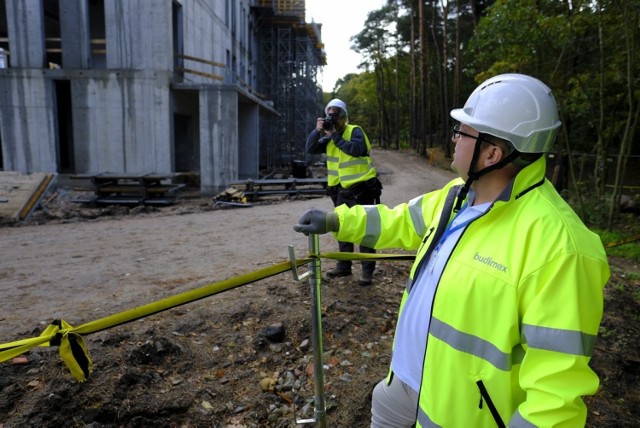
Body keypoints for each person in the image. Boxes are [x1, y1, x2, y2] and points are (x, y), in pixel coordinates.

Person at [294, 74, 610, 427]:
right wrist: (335, 220)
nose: (454, 138)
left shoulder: (560, 248)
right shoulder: (457, 196)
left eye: (463, 132)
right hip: (403, 385)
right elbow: (398, 221)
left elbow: (555, 398)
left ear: (493, 152)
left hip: (456, 413)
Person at [305, 98, 382, 285]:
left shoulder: (355, 131)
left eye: (336, 114)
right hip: (340, 191)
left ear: (344, 116)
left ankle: (367, 271)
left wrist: (334, 135)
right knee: (342, 228)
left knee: (365, 230)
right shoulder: (329, 138)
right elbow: (310, 149)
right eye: (329, 115)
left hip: (362, 189)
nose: (333, 118)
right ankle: (344, 266)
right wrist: (317, 131)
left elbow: (356, 150)